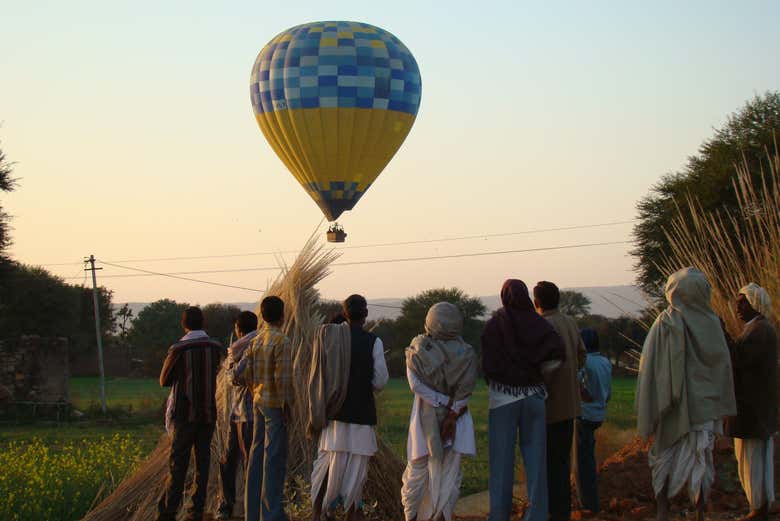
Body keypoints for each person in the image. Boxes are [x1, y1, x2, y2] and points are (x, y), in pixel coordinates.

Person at [636, 267, 736, 521]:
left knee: (664, 456)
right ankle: (700, 512)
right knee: (700, 458)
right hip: (704, 406)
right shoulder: (713, 323)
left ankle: (662, 511)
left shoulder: (665, 322)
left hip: (671, 404)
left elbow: (649, 366)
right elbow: (723, 366)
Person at [481, 279, 566, 521]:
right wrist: (540, 378)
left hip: (502, 400)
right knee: (536, 461)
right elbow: (558, 356)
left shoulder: (494, 325)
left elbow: (488, 365)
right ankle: (537, 515)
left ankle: (499, 515)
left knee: (501, 462)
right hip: (535, 398)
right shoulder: (540, 324)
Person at [310, 294, 389, 521]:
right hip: (362, 415)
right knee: (356, 471)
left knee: (327, 465)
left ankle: (320, 512)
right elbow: (380, 380)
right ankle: (352, 512)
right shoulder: (374, 341)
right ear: (365, 315)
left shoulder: (328, 336)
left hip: (334, 413)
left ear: (344, 313)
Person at [401, 302, 477, 521]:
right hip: (458, 419)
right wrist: (452, 410)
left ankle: (412, 517)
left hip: (424, 419)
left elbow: (415, 385)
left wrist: (439, 401)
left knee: (417, 468)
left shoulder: (418, 349)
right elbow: (466, 391)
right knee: (450, 472)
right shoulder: (467, 353)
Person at [156, 306, 223, 521]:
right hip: (208, 413)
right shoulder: (215, 347)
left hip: (184, 414)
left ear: (184, 324)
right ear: (203, 323)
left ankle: (168, 511)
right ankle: (196, 510)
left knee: (178, 464)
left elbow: (164, 381)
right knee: (203, 462)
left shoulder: (178, 349)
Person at [234, 296, 292, 521]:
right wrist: (286, 406)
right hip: (274, 406)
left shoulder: (256, 340)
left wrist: (254, 388)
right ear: (282, 315)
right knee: (274, 459)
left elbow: (243, 373)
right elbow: (282, 380)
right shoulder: (281, 341)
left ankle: (252, 513)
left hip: (257, 402)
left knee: (256, 457)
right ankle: (271, 514)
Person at [533, 281, 586, 521]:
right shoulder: (570, 322)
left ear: (536, 303)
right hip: (570, 405)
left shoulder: (539, 325)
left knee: (546, 464)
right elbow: (581, 355)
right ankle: (562, 512)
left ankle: (548, 512)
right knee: (562, 463)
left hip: (547, 406)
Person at [724, 283, 777, 521]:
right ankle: (758, 506)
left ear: (756, 303)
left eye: (743, 301)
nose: (738, 306)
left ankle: (758, 508)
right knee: (752, 457)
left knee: (752, 458)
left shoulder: (760, 331)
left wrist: (721, 334)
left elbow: (739, 360)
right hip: (754, 407)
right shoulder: (756, 329)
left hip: (753, 408)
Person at [216, 311, 259, 520]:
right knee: (233, 458)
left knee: (240, 459)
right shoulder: (256, 342)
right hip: (241, 412)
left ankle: (234, 505)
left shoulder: (247, 346)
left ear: (238, 329)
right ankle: (234, 504)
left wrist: (230, 363)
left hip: (246, 413)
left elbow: (235, 378)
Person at [573, 328, 612, 514]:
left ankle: (588, 505)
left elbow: (577, 386)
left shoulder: (584, 363)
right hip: (599, 413)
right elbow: (608, 392)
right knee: (588, 455)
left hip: (585, 414)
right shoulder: (605, 362)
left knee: (582, 463)